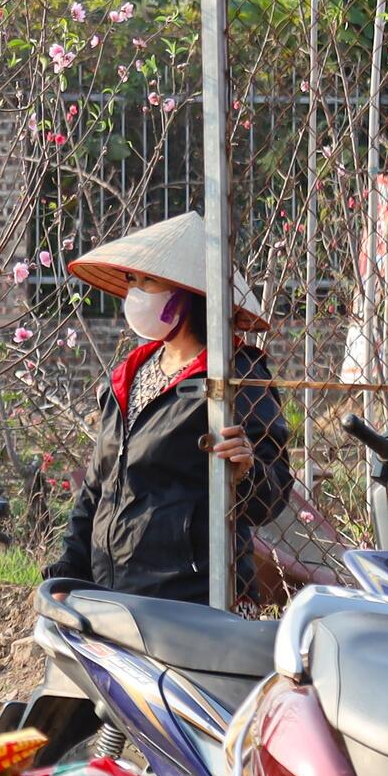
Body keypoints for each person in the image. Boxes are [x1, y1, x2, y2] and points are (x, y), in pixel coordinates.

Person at [46, 210, 292, 606]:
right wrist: (68, 574)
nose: (136, 292)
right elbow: (96, 488)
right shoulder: (130, 374)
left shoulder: (236, 374)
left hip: (191, 599)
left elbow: (273, 493)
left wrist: (246, 472)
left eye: (150, 281)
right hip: (113, 595)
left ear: (187, 293)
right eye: (133, 280)